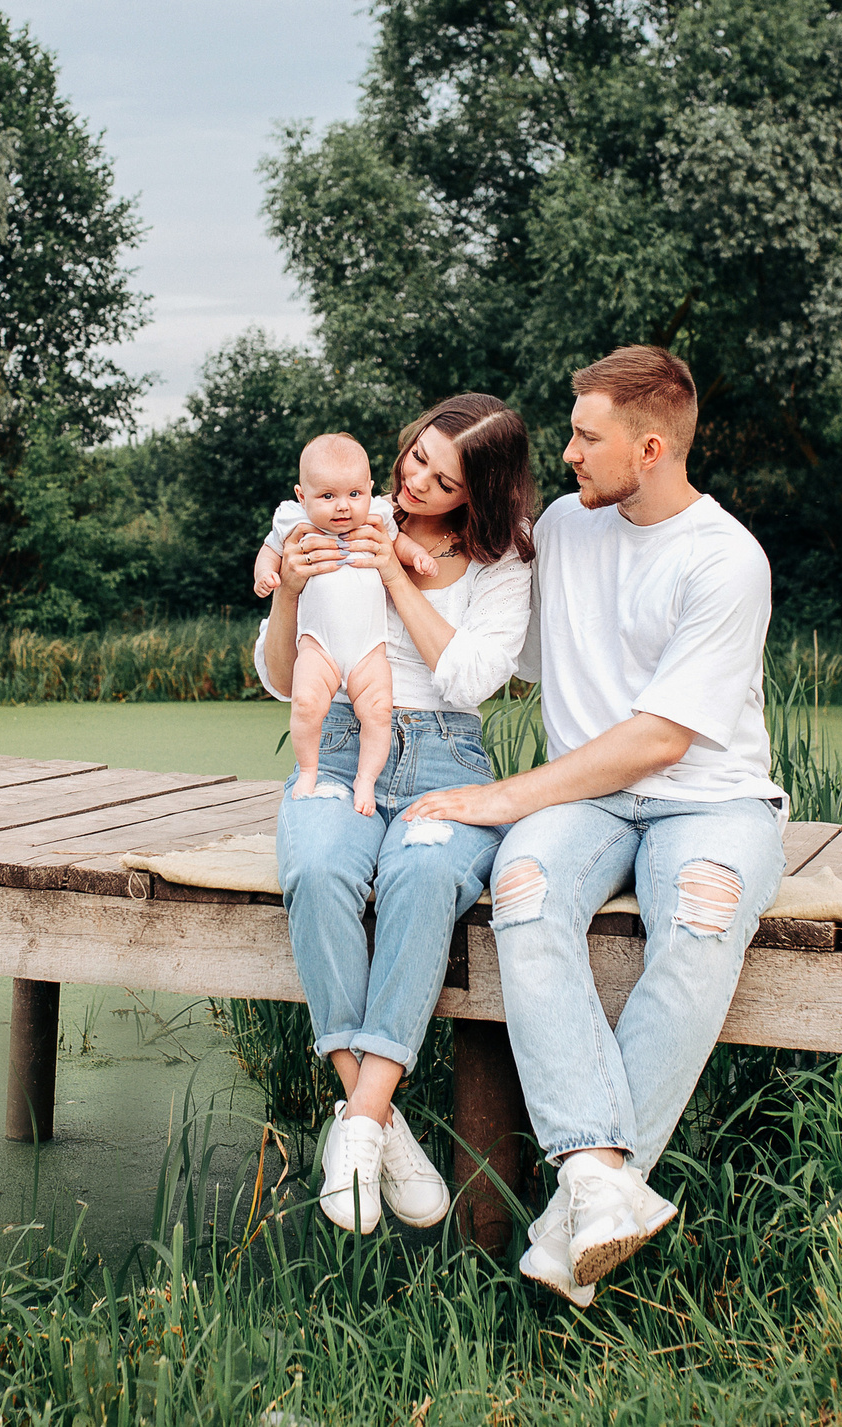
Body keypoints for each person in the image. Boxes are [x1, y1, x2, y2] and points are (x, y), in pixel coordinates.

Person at [403, 346, 784, 1306]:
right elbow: (502, 650)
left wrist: (503, 797)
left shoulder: (726, 558)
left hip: (711, 797)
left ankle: (583, 1188)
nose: (565, 451)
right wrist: (376, 560)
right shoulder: (565, 531)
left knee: (700, 918)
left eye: (585, 435)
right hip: (589, 803)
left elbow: (659, 739)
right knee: (523, 896)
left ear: (650, 447)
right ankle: (598, 1189)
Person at [255, 394, 538, 1234]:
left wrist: (388, 573)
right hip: (340, 744)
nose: (414, 480)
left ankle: (360, 1118)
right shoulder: (341, 514)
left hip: (447, 758)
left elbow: (468, 678)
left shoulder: (500, 569)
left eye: (441, 478)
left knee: (421, 870)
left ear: (476, 495)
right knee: (316, 865)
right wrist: (289, 594)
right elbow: (278, 677)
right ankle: (378, 1121)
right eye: (414, 457)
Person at [252, 433, 439, 816]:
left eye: (355, 494)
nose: (343, 507)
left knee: (378, 710)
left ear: (370, 490)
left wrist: (416, 556)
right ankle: (309, 769)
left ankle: (365, 780)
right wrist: (266, 576)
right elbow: (269, 551)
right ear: (302, 496)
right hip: (317, 645)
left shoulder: (378, 517)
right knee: (305, 703)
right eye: (327, 497)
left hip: (368, 648)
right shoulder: (294, 520)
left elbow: (397, 544)